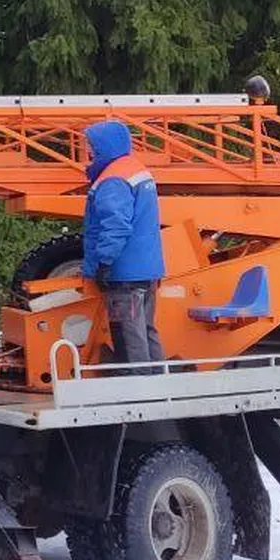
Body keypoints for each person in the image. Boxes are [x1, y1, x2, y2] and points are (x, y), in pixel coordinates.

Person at [83, 119, 166, 372]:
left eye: (91, 145)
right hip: (146, 270)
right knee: (146, 330)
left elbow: (116, 226)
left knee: (129, 336)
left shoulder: (112, 180)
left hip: (124, 274)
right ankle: (160, 383)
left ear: (104, 147)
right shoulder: (136, 170)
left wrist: (103, 263)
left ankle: (140, 390)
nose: (88, 151)